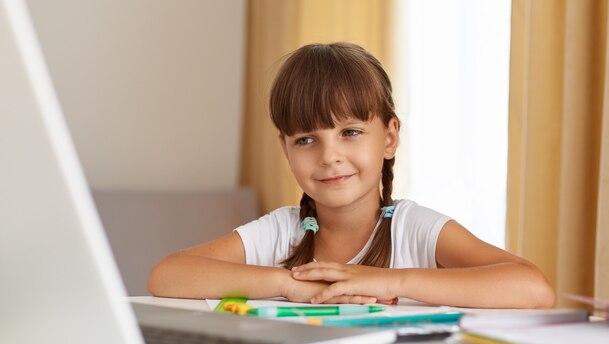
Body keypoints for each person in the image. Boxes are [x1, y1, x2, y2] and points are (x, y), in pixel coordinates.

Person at [148, 42, 555, 308]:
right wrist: (288, 285)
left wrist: (391, 282)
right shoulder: (282, 232)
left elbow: (533, 288)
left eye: (351, 132)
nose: (330, 156)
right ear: (285, 150)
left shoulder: (414, 230)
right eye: (306, 140)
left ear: (389, 138)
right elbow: (167, 274)